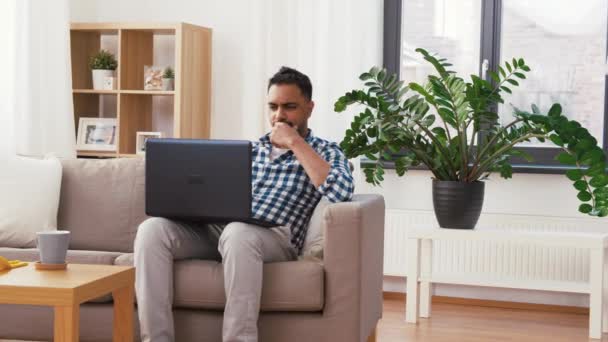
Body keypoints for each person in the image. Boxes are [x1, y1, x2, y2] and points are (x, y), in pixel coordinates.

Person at [134, 66, 355, 342]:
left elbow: (341, 191)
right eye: (273, 107)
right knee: (152, 230)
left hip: (273, 236)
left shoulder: (325, 151)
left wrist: (296, 142)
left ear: (310, 108)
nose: (279, 116)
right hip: (220, 229)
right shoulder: (248, 150)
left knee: (238, 233)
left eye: (289, 107)